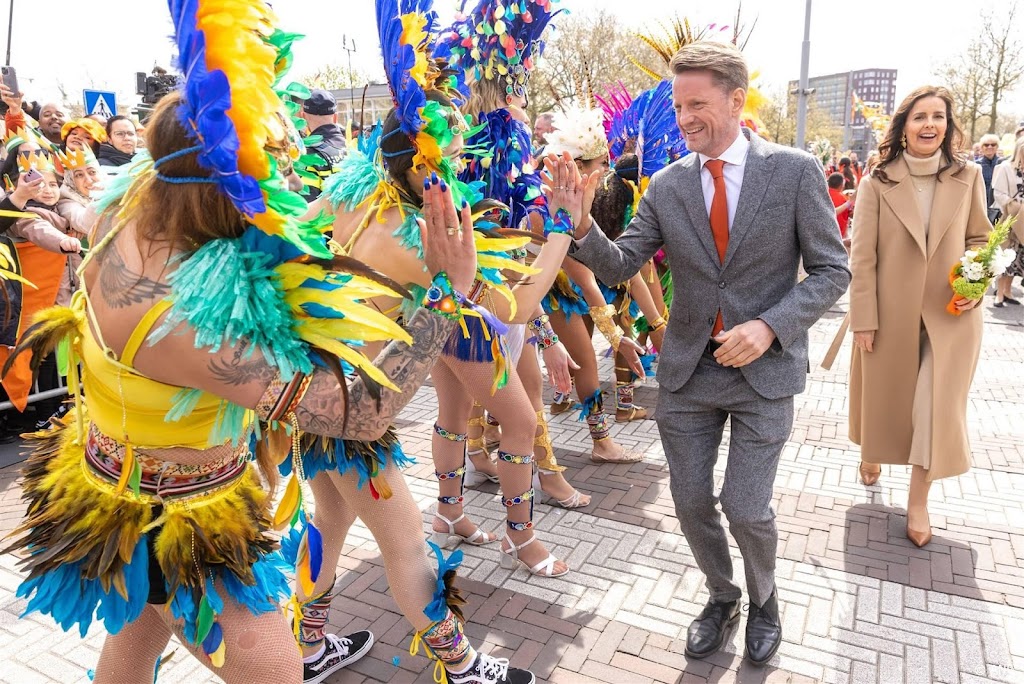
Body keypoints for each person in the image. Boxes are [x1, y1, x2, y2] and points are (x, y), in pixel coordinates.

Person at [0, 4, 513, 683]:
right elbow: (359, 415)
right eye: (265, 167)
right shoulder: (184, 321)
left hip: (129, 475)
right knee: (274, 671)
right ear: (225, 188)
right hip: (178, 523)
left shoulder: (133, 202)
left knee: (134, 644)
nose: (282, 178)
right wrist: (449, 292)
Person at [567, 41, 850, 665]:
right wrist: (582, 224)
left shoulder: (795, 171)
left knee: (746, 507)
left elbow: (833, 271)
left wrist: (770, 327)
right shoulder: (667, 184)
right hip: (689, 373)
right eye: (678, 105)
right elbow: (621, 264)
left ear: (735, 99)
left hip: (764, 374)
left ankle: (765, 599)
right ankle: (723, 597)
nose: (684, 117)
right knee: (691, 502)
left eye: (696, 103)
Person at [849, 86, 990, 549]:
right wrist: (863, 317)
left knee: (933, 408)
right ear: (904, 126)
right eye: (920, 117)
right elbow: (862, 257)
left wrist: (975, 285)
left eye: (938, 117)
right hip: (890, 312)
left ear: (948, 126)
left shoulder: (969, 176)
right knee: (885, 403)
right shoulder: (876, 182)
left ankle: (918, 502)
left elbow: (980, 239)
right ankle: (872, 450)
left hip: (951, 317)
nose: (930, 124)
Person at [991, 137, 1024, 306]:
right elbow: (998, 193)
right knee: (1004, 255)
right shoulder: (1006, 168)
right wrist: (1015, 206)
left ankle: (1008, 291)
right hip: (1010, 218)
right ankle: (999, 293)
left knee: (1017, 258)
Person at [298, 89, 346, 201]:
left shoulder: (308, 157)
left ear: (303, 117)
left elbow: (305, 206)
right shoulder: (354, 149)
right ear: (335, 117)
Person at [977, 133, 1003, 223]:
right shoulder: (976, 165)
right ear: (981, 147)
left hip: (1000, 205)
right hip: (981, 204)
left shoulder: (1003, 164)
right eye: (986, 145)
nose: (990, 147)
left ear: (997, 147)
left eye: (993, 144)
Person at [827, 172, 854, 242]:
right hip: (840, 235)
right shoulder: (843, 198)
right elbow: (851, 214)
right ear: (841, 185)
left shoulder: (823, 195)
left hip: (827, 234)